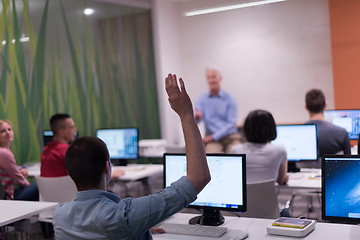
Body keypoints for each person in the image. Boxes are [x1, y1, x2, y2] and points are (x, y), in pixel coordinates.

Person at [53, 73, 211, 239]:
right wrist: (186, 115)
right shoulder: (125, 215)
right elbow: (198, 178)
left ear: (70, 173)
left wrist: (142, 227)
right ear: (107, 167)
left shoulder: (59, 216)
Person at [230, 110, 289, 185]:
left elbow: (233, 179)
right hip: (268, 196)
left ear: (246, 128)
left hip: (243, 196)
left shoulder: (236, 150)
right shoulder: (280, 150)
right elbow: (281, 180)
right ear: (272, 128)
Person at [195, 68, 240, 153]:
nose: (211, 80)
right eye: (208, 77)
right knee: (210, 155)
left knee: (236, 154)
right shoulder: (201, 99)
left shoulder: (230, 98)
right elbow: (196, 119)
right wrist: (196, 117)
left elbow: (231, 123)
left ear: (220, 78)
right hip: (212, 140)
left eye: (213, 77)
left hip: (230, 137)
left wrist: (214, 136)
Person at [0, 120, 38, 200]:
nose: (8, 133)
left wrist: (19, 169)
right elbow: (19, 180)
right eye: (2, 131)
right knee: (38, 185)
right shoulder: (4, 153)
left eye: (9, 129)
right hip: (7, 197)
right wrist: (30, 186)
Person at [305, 89, 351, 156]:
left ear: (306, 107)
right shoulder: (341, 132)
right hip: (333, 166)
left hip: (303, 167)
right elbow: (348, 160)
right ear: (325, 105)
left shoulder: (297, 133)